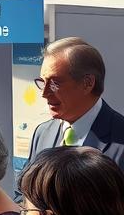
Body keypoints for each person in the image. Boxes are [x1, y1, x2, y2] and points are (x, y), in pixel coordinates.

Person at [21, 37, 124, 176]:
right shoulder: (42, 133)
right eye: (43, 82)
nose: (44, 94)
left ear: (87, 83)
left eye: (55, 83)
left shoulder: (119, 139)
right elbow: (22, 191)